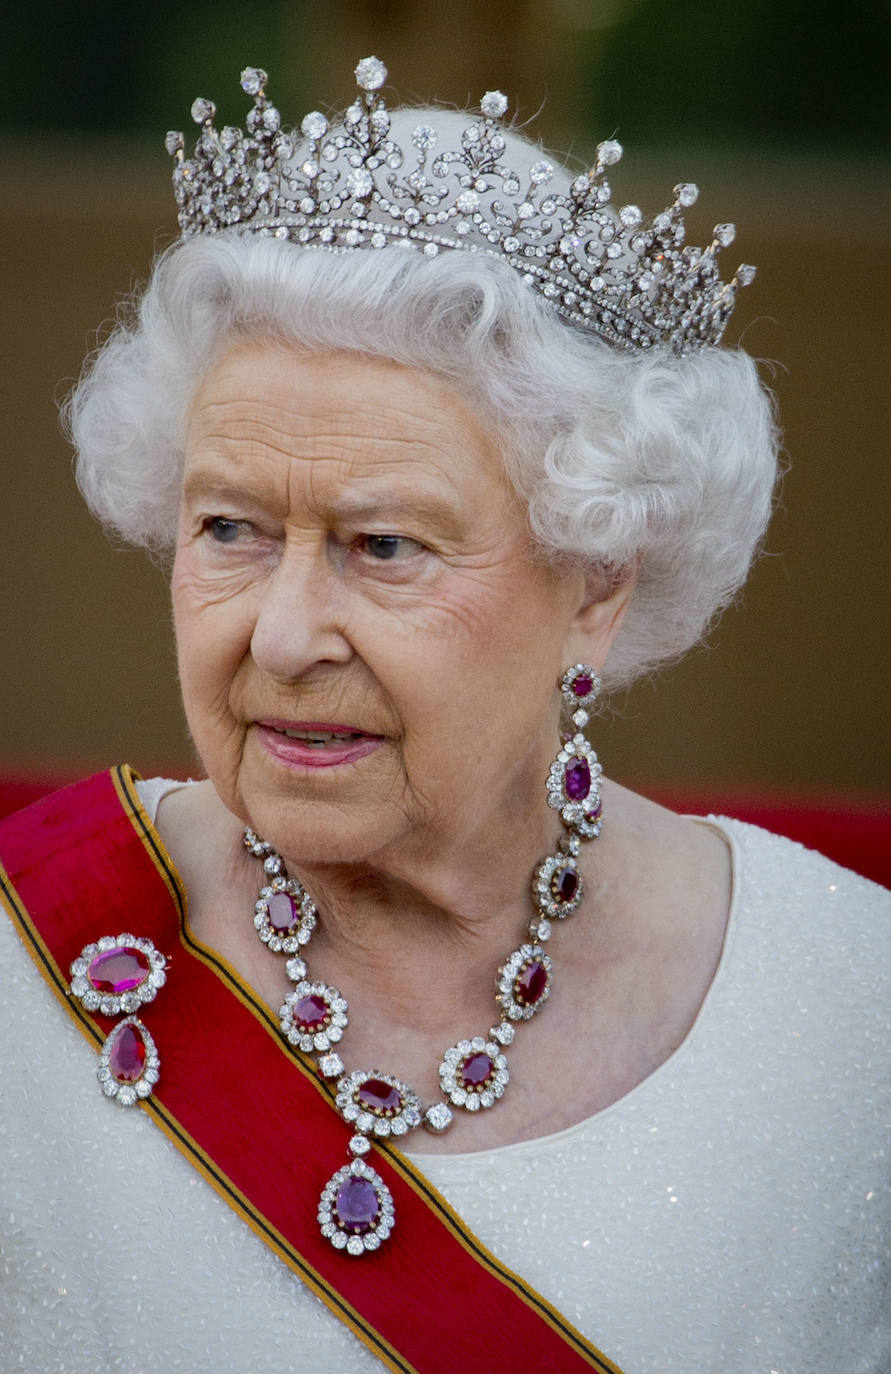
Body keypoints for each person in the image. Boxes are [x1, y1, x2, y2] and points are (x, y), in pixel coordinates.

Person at [0, 55, 887, 1374]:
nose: (284, 635)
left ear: (596, 581)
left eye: (385, 545)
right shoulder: (25, 971)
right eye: (231, 528)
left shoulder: (851, 1011)